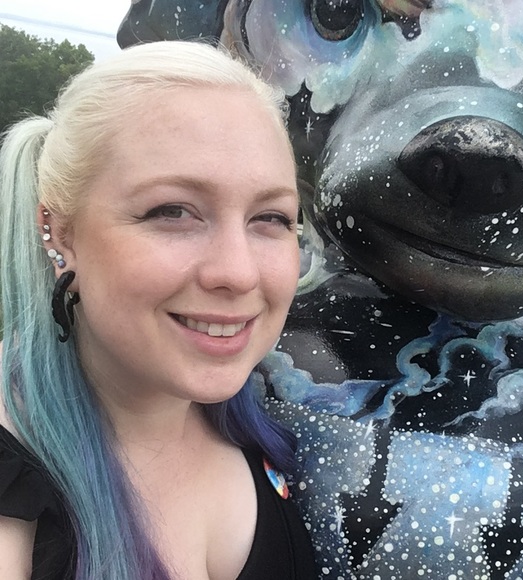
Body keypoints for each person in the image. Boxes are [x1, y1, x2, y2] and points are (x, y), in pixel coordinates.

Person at [0, 41, 318, 579]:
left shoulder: (272, 406)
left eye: (271, 218)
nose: (239, 273)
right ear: (60, 233)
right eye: (173, 211)